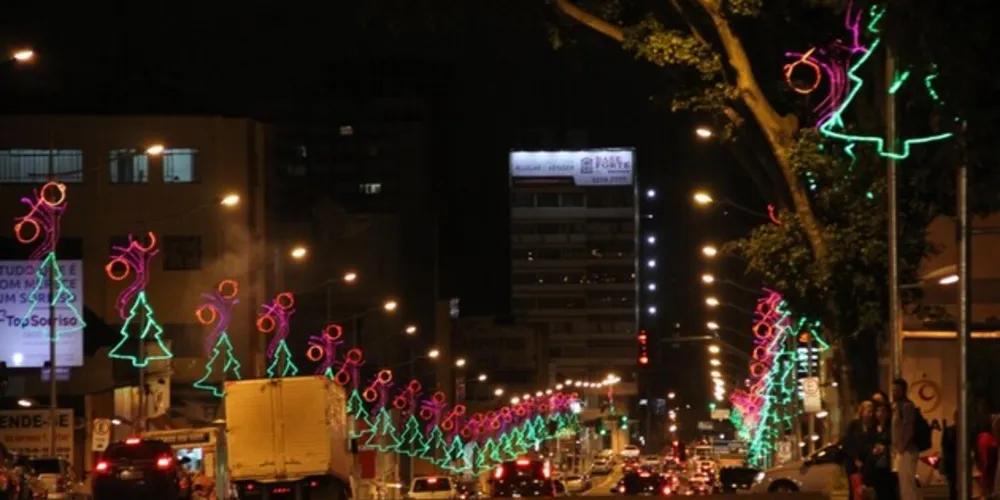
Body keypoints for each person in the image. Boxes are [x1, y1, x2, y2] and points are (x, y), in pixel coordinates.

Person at [892, 378, 919, 500]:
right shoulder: (897, 406)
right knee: (904, 483)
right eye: (893, 390)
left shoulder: (907, 406)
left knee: (907, 483)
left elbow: (908, 427)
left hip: (907, 449)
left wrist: (901, 447)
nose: (894, 393)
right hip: (901, 449)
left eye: (897, 390)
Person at [845, 401, 876, 500]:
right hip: (854, 462)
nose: (870, 414)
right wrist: (855, 458)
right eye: (868, 411)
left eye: (872, 412)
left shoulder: (873, 426)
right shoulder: (854, 424)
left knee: (866, 490)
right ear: (862, 411)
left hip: (868, 462)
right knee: (855, 489)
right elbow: (848, 443)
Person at [866, 403, 896, 500]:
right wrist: (873, 449)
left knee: (889, 491)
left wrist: (885, 447)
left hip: (889, 462)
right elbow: (869, 443)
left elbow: (894, 441)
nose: (880, 413)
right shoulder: (872, 428)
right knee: (878, 491)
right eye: (878, 411)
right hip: (876, 463)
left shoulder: (891, 428)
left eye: (883, 411)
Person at [941, 410, 957, 500]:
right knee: (952, 486)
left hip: (951, 461)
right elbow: (944, 446)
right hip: (951, 462)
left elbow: (944, 446)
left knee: (952, 487)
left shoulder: (949, 431)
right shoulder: (949, 431)